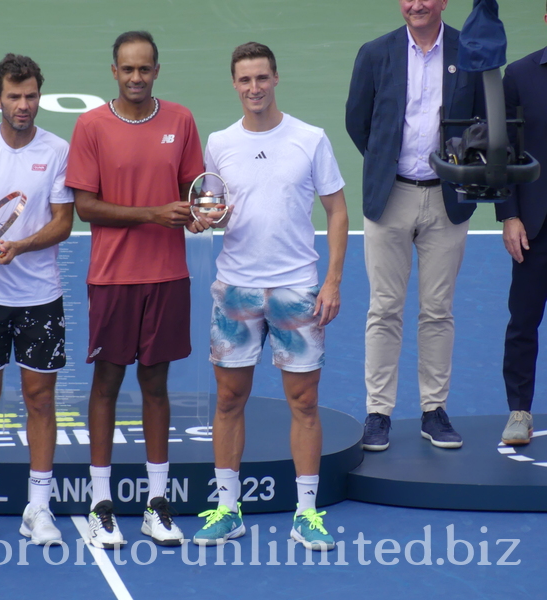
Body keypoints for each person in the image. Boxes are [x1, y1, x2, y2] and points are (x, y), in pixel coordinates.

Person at [189, 42, 348, 551]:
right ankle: (227, 507)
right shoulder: (219, 144)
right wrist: (205, 220)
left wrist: (333, 281)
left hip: (297, 288)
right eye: (244, 80)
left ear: (275, 79)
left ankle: (307, 513)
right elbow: (211, 211)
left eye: (261, 78)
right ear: (234, 84)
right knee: (230, 399)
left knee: (304, 401)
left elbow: (338, 211)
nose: (254, 88)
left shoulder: (310, 138)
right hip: (236, 287)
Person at [66, 30, 204, 549]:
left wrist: (200, 216)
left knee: (156, 386)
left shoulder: (182, 121)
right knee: (106, 385)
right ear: (114, 72)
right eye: (128, 69)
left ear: (157, 71)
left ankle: (156, 504)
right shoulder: (91, 126)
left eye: (145, 69)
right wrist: (152, 213)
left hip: (168, 277)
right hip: (113, 278)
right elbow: (86, 207)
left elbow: (195, 194)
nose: (136, 77)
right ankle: (102, 503)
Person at [346, 0, 484, 452]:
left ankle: (433, 411)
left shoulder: (471, 50)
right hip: (391, 197)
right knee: (383, 309)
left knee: (437, 310)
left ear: (443, 2)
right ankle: (378, 413)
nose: (417, 4)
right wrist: (388, 164)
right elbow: (357, 121)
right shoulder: (374, 52)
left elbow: (485, 121)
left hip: (448, 198)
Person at [0, 54, 73, 545]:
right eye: (14, 96)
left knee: (40, 400)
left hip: (40, 296)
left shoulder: (59, 150)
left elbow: (64, 221)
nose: (24, 105)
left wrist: (20, 246)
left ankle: (37, 509)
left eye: (31, 96)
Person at [495, 6, 547, 446]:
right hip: (536, 226)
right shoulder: (520, 75)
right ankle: (520, 412)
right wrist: (510, 214)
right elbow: (505, 154)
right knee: (523, 322)